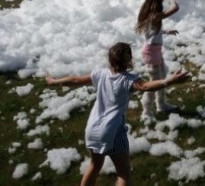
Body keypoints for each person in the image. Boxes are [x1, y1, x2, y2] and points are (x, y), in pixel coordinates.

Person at [45, 42, 190, 186]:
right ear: (128, 60)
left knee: (94, 166)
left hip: (92, 130)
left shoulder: (100, 74)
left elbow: (75, 80)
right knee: (123, 174)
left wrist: (54, 81)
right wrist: (169, 81)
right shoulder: (128, 79)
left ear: (110, 59)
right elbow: (146, 86)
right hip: (113, 130)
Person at [134, 0, 181, 122]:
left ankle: (161, 105)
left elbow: (153, 32)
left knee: (162, 79)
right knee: (153, 84)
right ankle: (146, 112)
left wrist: (166, 31)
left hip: (155, 51)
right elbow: (175, 8)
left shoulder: (150, 15)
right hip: (150, 53)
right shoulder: (154, 16)